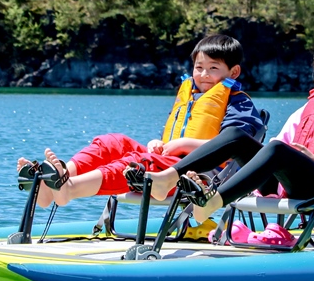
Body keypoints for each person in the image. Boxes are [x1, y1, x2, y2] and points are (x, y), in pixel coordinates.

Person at [146, 40, 314, 239]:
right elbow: (278, 143)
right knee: (236, 136)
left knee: (277, 150)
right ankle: (169, 177)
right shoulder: (309, 108)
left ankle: (214, 201)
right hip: (285, 182)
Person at [17, 34, 265, 209]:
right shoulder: (190, 97)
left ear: (233, 72)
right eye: (199, 67)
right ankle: (54, 182)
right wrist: (159, 142)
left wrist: (184, 145)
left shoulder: (239, 104)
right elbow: (172, 137)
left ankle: (70, 189)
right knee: (111, 142)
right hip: (167, 160)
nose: (203, 74)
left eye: (213, 68)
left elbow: (236, 145)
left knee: (138, 163)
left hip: (197, 174)